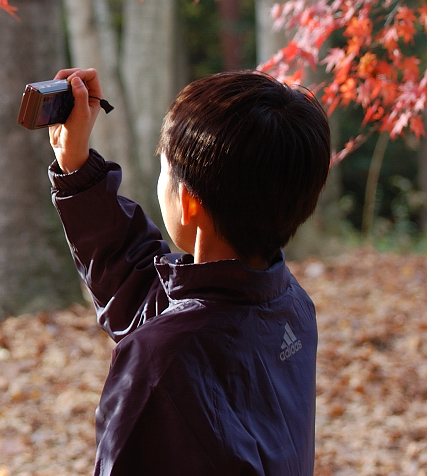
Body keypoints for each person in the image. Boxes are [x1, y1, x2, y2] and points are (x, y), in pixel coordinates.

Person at [48, 68, 330, 476]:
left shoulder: (160, 361)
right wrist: (76, 167)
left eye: (164, 169)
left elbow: (171, 333)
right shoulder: (289, 306)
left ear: (189, 200)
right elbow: (144, 292)